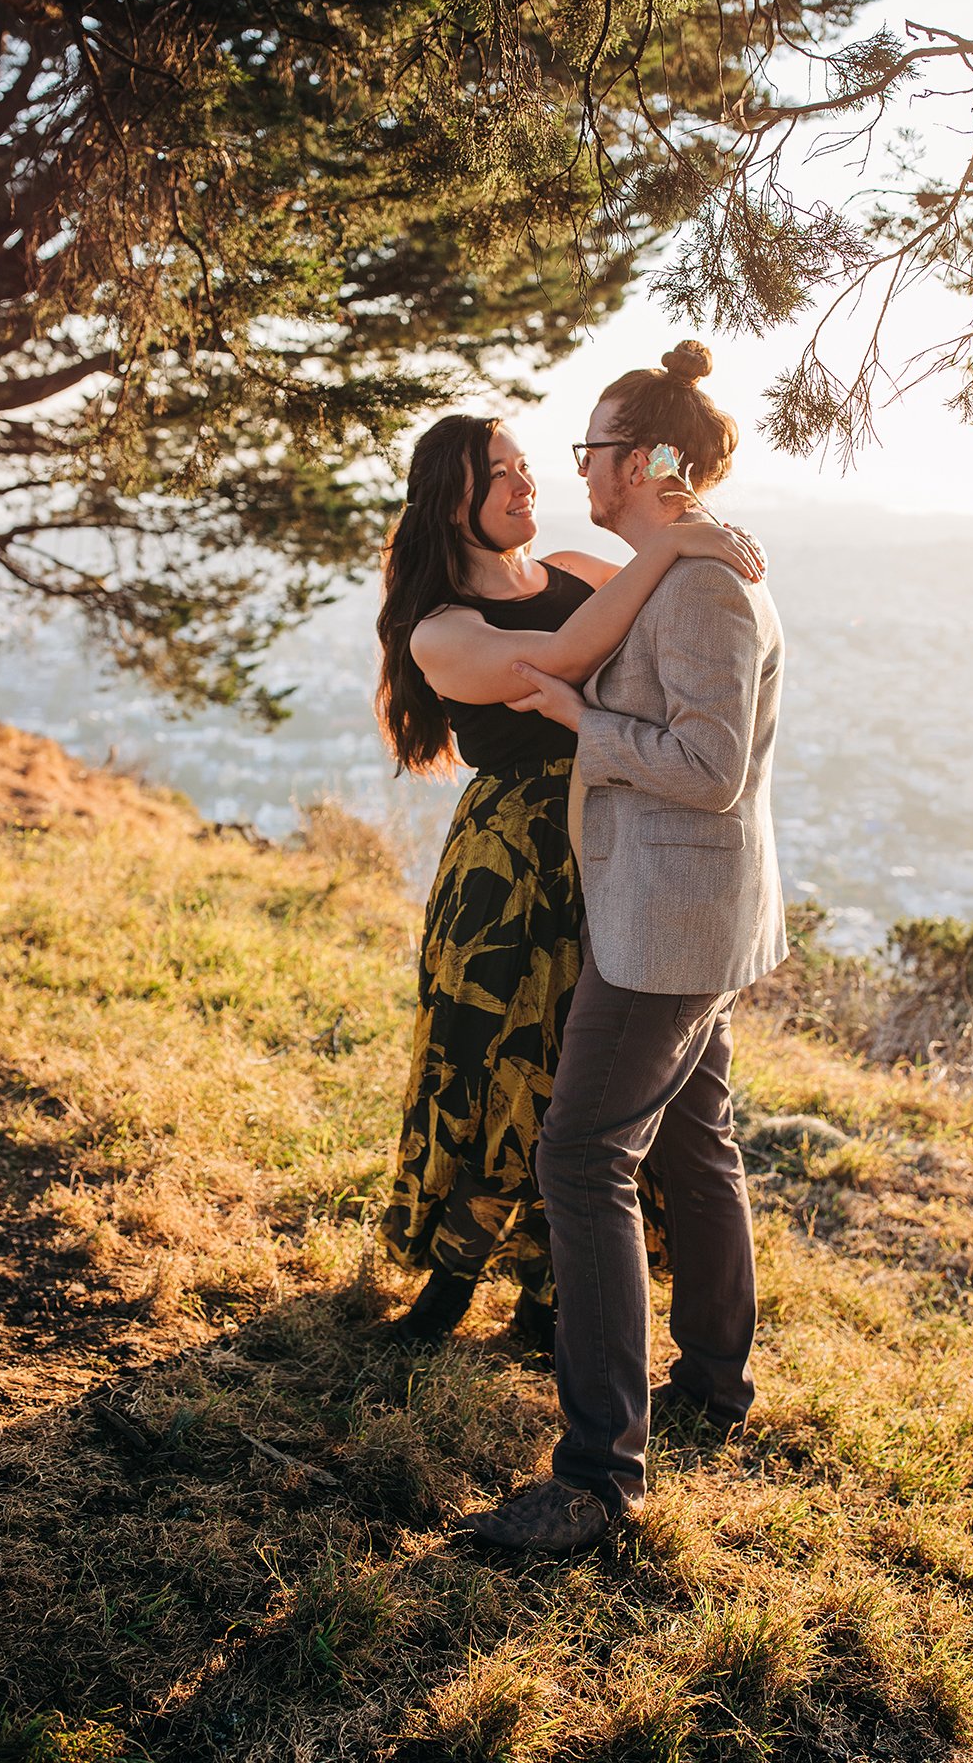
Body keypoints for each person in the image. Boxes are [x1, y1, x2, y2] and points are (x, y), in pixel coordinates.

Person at [457, 339, 788, 1551]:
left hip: (668, 921)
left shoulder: (700, 584)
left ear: (646, 458)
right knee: (697, 1145)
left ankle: (599, 1475)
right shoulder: (681, 562)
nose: (577, 463)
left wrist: (579, 720)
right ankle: (713, 1380)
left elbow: (703, 770)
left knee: (582, 1154)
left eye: (593, 446)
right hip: (691, 911)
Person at [374, 407, 764, 1354]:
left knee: (576, 1078)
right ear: (449, 500)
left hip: (613, 841)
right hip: (509, 868)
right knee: (486, 1061)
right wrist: (674, 543)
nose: (525, 486)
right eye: (497, 474)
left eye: (524, 467)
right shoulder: (440, 629)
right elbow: (561, 658)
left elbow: (659, 633)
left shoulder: (584, 576)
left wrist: (691, 542)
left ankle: (552, 1293)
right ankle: (452, 1272)